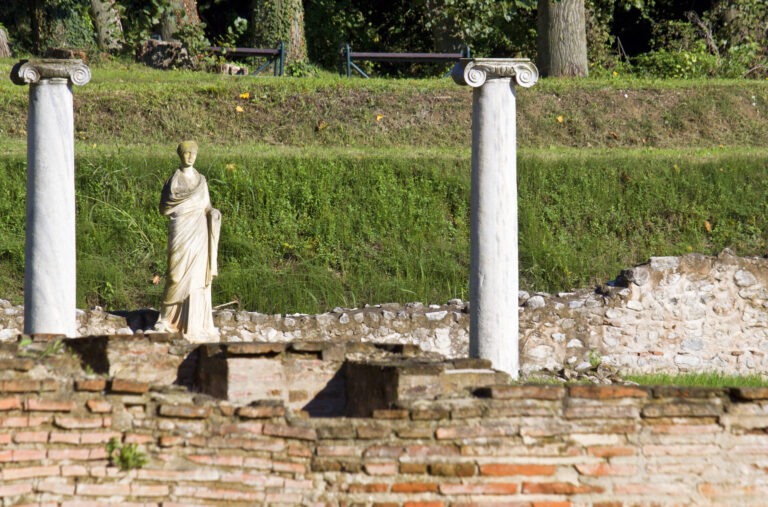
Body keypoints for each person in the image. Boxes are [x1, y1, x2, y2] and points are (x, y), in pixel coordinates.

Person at [154, 140, 221, 342]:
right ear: (180, 155)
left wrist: (214, 214)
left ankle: (195, 324)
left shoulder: (202, 181)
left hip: (199, 231)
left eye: (193, 153)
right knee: (175, 274)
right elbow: (164, 207)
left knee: (196, 276)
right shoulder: (173, 182)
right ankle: (166, 319)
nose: (190, 156)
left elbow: (207, 206)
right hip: (181, 228)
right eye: (186, 152)